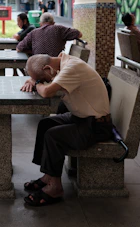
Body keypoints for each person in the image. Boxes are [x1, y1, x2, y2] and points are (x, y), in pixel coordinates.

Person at [20, 53, 113, 206]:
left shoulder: (72, 68)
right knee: (46, 124)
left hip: (96, 126)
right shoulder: (62, 62)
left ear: (48, 68)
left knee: (53, 136)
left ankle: (55, 187)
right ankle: (48, 176)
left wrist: (36, 83)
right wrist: (35, 79)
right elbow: (45, 86)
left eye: (44, 78)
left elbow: (47, 92)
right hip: (81, 118)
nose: (46, 81)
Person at [16, 12, 82, 57]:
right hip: (56, 67)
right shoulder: (59, 29)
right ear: (53, 23)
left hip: (38, 68)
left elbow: (19, 48)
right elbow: (79, 34)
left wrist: (32, 51)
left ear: (40, 24)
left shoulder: (33, 33)